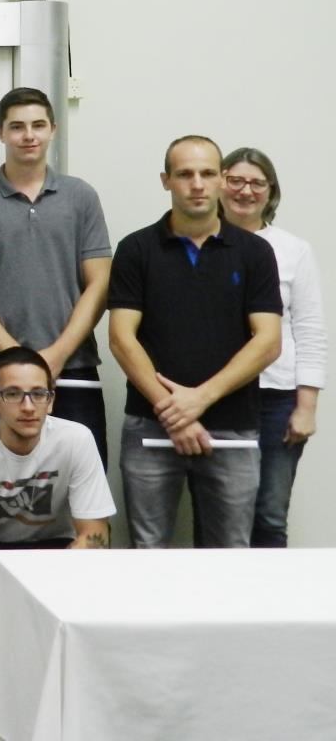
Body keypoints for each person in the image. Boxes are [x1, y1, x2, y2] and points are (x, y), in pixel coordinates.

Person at [109, 136, 281, 548]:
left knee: (230, 556)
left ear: (222, 179)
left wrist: (198, 400)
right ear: (166, 180)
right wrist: (176, 414)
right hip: (151, 425)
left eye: (207, 173)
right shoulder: (136, 249)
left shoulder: (255, 252)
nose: (197, 184)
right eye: (185, 174)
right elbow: (121, 338)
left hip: (233, 428)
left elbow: (268, 341)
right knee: (149, 553)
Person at [0, 87, 113, 465]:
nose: (28, 135)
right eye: (17, 126)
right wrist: (17, 359)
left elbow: (100, 284)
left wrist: (55, 355)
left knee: (82, 485)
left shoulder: (81, 196)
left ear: (52, 129)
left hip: (70, 368)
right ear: (0, 133)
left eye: (38, 125)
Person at [0, 345, 114, 617]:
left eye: (38, 394)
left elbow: (95, 534)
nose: (28, 406)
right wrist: (17, 600)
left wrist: (59, 584)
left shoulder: (76, 439)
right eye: (13, 394)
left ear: (51, 400)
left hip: (58, 552)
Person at [219, 146, 324, 547]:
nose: (246, 191)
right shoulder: (201, 245)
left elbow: (310, 329)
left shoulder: (293, 249)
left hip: (276, 398)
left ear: (271, 191)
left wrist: (306, 406)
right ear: (219, 183)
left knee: (269, 514)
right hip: (219, 397)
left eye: (257, 183)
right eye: (236, 180)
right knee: (220, 513)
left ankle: (270, 606)